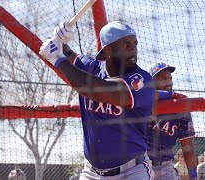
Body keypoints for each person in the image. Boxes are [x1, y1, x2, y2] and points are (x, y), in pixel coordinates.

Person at [39, 21, 172, 179]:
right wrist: (60, 38)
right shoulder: (92, 68)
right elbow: (63, 52)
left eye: (134, 44)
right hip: (92, 173)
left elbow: (97, 89)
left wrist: (58, 59)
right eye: (126, 45)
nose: (133, 50)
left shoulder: (142, 79)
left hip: (131, 172)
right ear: (108, 50)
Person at [147, 62, 197, 180]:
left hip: (165, 166)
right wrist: (168, 94)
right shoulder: (142, 99)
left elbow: (187, 145)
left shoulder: (179, 103)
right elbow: (149, 95)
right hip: (141, 163)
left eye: (170, 78)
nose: (169, 82)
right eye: (164, 79)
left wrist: (194, 177)